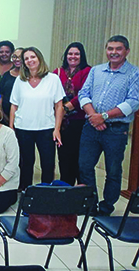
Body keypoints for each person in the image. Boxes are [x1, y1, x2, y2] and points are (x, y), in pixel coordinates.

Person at [78, 35, 139, 216]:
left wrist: (103, 117)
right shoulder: (96, 71)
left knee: (113, 171)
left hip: (116, 130)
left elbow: (133, 102)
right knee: (85, 166)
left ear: (126, 51)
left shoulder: (134, 74)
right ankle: (90, 203)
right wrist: (93, 117)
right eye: (110, 49)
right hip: (90, 127)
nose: (114, 52)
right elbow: (83, 94)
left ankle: (106, 206)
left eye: (118, 49)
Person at [10, 47, 65, 189]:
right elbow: (14, 106)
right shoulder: (20, 81)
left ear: (39, 58)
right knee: (25, 163)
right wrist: (11, 128)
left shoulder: (53, 79)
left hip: (46, 128)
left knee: (47, 164)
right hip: (23, 128)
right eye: (26, 58)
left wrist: (57, 129)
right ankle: (25, 193)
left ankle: (45, 193)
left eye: (32, 57)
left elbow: (59, 106)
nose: (30, 60)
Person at [54, 42, 92, 186]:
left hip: (79, 121)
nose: (73, 56)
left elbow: (84, 93)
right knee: (64, 158)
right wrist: (59, 112)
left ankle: (80, 194)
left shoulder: (88, 71)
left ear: (81, 56)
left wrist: (66, 108)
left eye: (76, 54)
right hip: (61, 123)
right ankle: (66, 190)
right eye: (70, 53)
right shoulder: (58, 72)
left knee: (79, 159)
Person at [0, 48, 23, 123]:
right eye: (14, 57)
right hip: (5, 115)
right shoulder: (6, 75)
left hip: (23, 116)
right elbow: (0, 95)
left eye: (20, 57)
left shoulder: (30, 76)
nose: (17, 59)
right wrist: (2, 113)